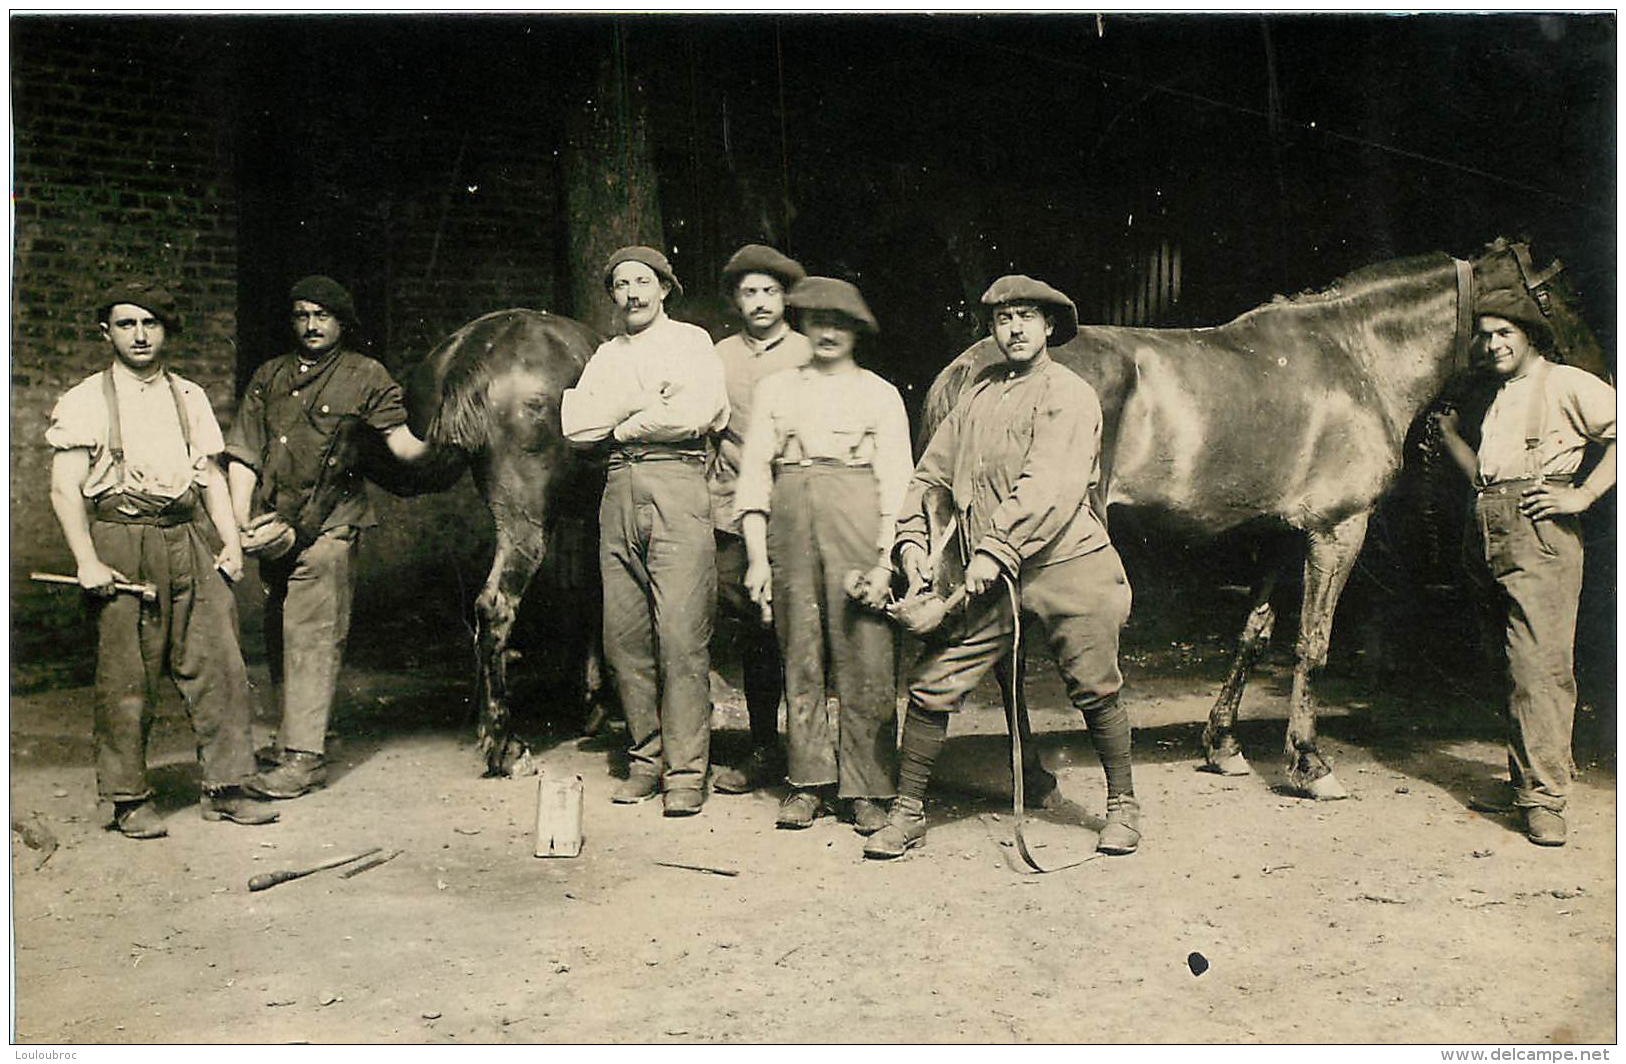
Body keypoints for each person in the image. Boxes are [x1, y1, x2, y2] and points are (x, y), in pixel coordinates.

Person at [865, 275, 1139, 860]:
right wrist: (912, 539)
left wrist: (993, 549)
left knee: (1094, 686)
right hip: (989, 574)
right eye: (1002, 319)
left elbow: (1049, 485)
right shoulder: (979, 394)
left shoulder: (1069, 394)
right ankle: (908, 812)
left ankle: (1123, 807)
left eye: (1025, 317)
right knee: (933, 682)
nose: (1013, 329)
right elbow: (931, 474)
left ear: (1048, 328)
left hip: (1067, 563)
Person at [46, 281, 278, 838]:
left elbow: (211, 476)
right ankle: (128, 799)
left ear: (166, 331)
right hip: (123, 539)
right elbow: (64, 489)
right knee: (128, 675)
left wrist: (229, 541)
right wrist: (87, 561)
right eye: (126, 324)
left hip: (187, 538)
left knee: (220, 662)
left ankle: (226, 787)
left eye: (150, 324)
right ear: (107, 333)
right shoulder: (84, 400)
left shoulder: (190, 396)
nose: (140, 334)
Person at [226, 275, 430, 799]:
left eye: (322, 315)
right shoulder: (268, 376)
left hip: (330, 524)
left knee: (312, 636)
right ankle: (295, 738)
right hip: (275, 528)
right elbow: (245, 454)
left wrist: (450, 440)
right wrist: (238, 522)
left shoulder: (365, 376)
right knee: (279, 633)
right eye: (301, 314)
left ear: (343, 321)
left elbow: (404, 447)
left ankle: (305, 759)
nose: (311, 325)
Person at [1431, 286, 1615, 847]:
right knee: (1509, 664)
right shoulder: (1501, 392)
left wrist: (1581, 495)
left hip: (1540, 531)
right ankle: (1524, 784)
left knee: (1540, 668)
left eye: (1504, 333)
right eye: (1484, 336)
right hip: (1487, 522)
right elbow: (1486, 477)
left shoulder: (1562, 381)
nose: (1492, 345)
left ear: (1529, 335)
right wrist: (1448, 438)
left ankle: (1546, 800)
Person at [734, 277, 912, 835]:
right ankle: (807, 780)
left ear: (858, 331)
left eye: (841, 323)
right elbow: (754, 477)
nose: (828, 332)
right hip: (790, 517)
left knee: (866, 651)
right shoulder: (777, 389)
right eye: (816, 320)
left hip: (855, 513)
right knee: (800, 651)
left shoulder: (879, 393)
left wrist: (886, 560)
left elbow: (898, 482)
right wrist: (758, 559)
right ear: (803, 325)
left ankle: (870, 786)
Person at [561, 246, 729, 817]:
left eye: (643, 282)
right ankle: (645, 760)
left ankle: (686, 773)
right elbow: (577, 426)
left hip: (676, 483)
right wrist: (644, 403)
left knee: (681, 636)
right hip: (617, 488)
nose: (632, 293)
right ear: (613, 295)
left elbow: (694, 414)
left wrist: (622, 418)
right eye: (621, 285)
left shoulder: (692, 342)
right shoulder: (607, 354)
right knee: (624, 637)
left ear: (664, 289)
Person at [708, 244, 813, 795]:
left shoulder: (806, 353)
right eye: (750, 292)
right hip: (730, 511)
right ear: (736, 301)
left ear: (786, 298)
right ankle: (762, 745)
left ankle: (809, 755)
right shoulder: (717, 355)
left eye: (770, 291)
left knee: (801, 631)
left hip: (794, 510)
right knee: (754, 632)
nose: (761, 302)